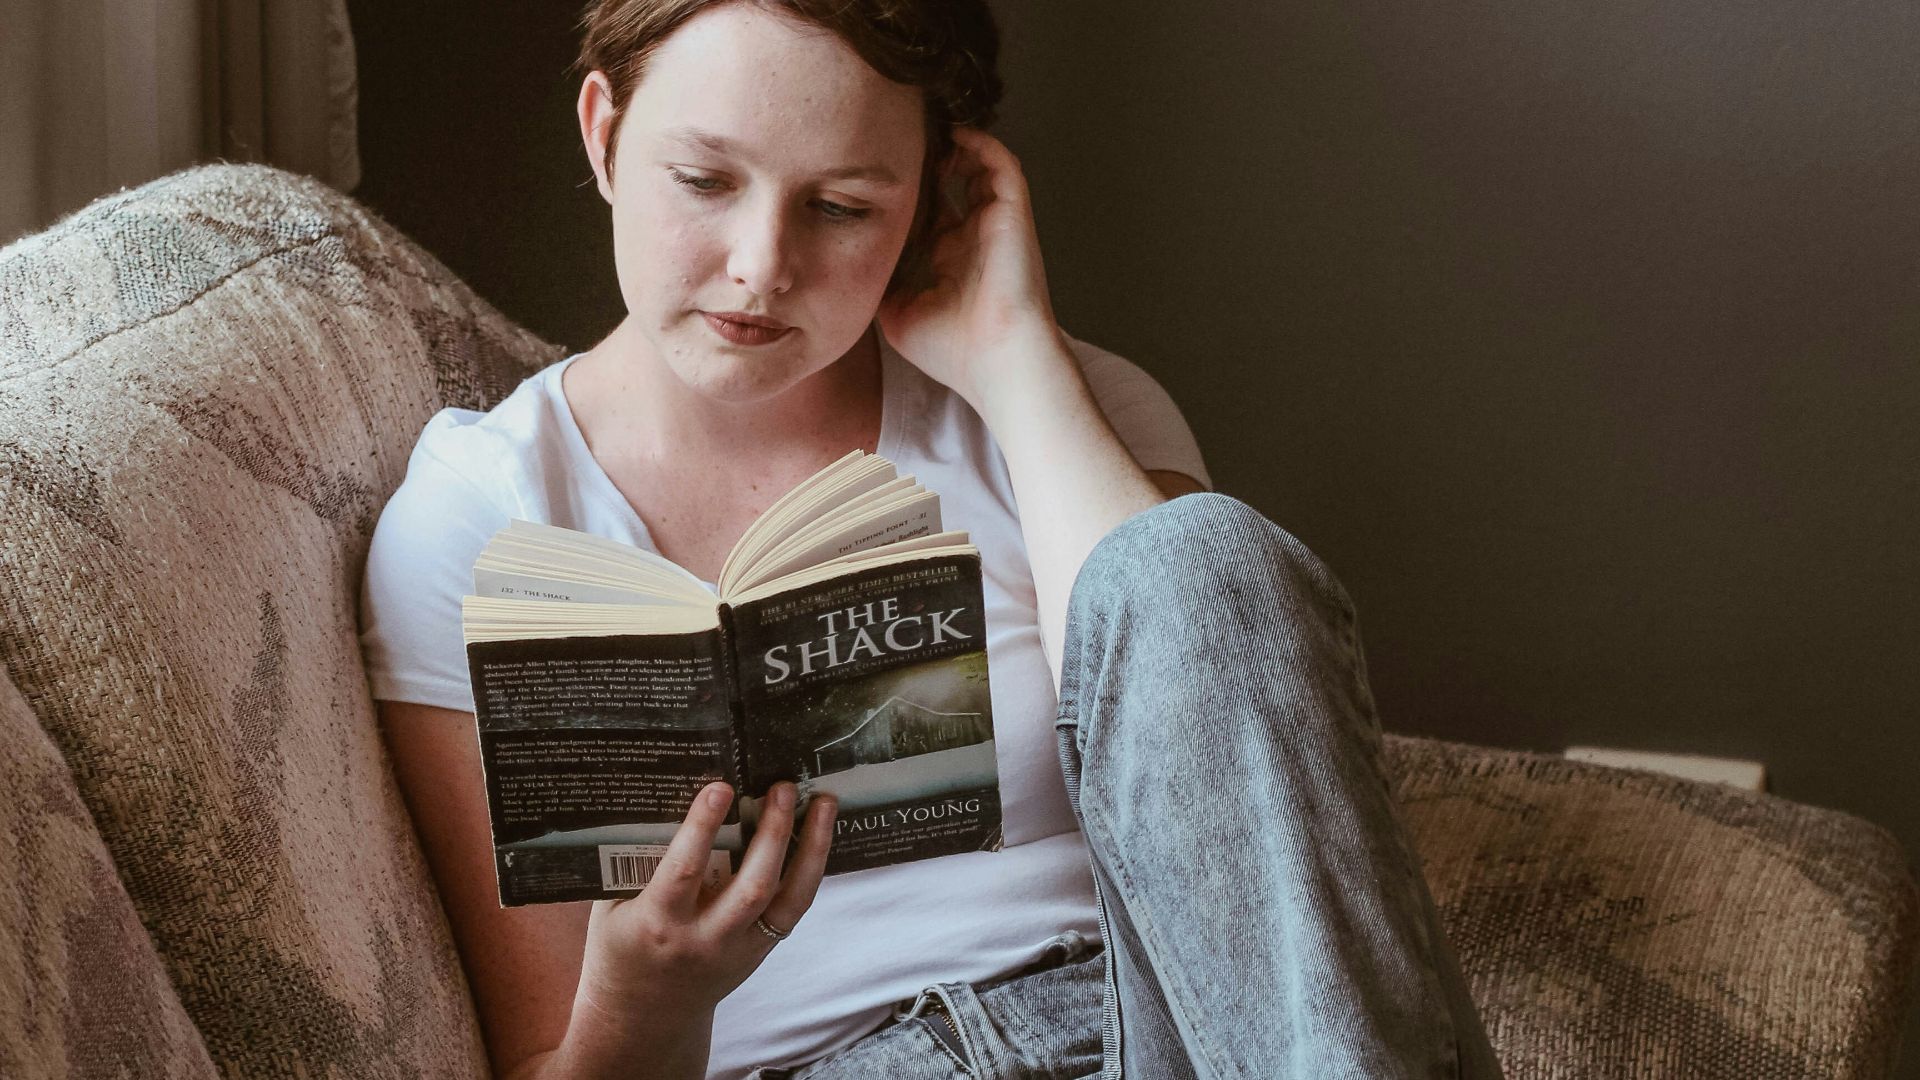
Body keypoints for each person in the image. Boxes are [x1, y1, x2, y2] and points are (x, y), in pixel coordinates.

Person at [358, 1, 1506, 1077]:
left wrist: (1015, 360)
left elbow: (1212, 725)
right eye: (704, 179)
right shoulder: (479, 517)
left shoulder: (1062, 412)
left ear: (932, 194)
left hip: (1144, 1028)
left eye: (844, 205)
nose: (762, 263)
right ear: (605, 136)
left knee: (1192, 557)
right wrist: (643, 1002)